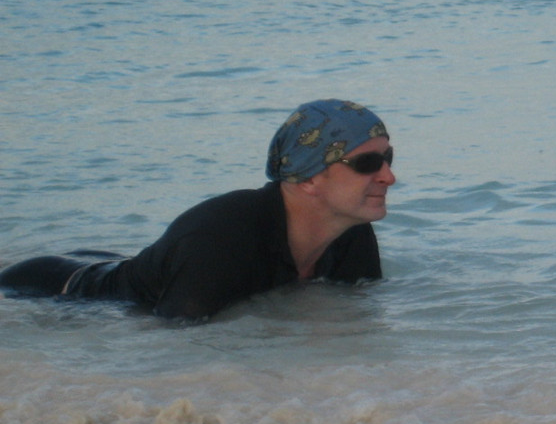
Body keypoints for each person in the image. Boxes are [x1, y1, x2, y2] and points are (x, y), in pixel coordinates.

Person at [0, 99, 395, 320]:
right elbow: (176, 354)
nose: (388, 177)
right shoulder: (221, 241)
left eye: (387, 159)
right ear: (307, 178)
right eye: (367, 164)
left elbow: (353, 315)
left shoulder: (352, 232)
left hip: (122, 266)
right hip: (58, 290)